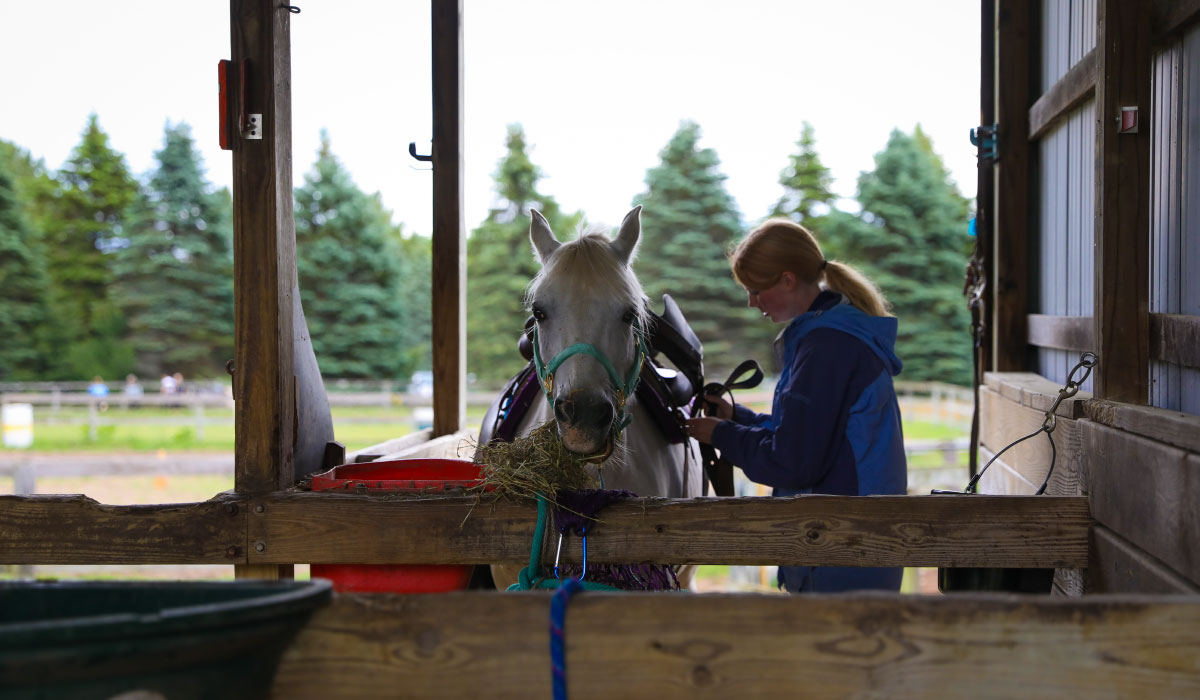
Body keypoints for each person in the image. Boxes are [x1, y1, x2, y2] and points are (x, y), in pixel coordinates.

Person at [685, 218, 907, 593]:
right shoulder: (834, 336)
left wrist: (724, 435)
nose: (752, 302)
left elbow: (794, 461)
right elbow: (813, 433)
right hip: (854, 546)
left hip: (842, 552)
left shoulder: (827, 348)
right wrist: (739, 418)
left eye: (756, 290)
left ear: (787, 279)